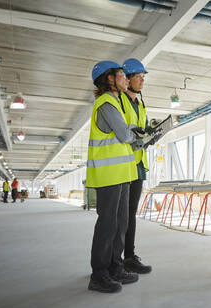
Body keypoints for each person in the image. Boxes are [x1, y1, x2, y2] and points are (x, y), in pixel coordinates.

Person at [86, 60, 144, 293]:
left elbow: (125, 134)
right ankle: (99, 274)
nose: (125, 78)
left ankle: (115, 267)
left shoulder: (116, 103)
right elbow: (122, 134)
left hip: (120, 174)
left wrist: (135, 135)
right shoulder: (106, 102)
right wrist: (137, 136)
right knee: (108, 225)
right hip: (108, 175)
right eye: (121, 74)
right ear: (109, 79)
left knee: (120, 223)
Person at [120, 58, 159, 274]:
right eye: (138, 76)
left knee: (131, 214)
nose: (142, 80)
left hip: (139, 164)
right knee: (122, 215)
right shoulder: (121, 102)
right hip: (125, 164)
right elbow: (125, 131)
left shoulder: (140, 103)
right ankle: (118, 259)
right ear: (127, 79)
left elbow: (141, 130)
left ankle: (129, 256)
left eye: (143, 77)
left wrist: (152, 135)